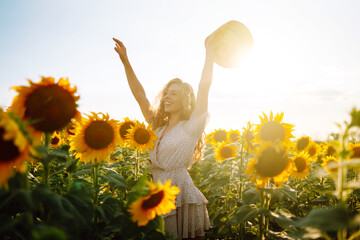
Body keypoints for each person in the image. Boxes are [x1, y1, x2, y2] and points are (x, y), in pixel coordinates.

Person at [113, 37, 213, 239]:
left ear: (184, 99)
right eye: (166, 93)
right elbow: (140, 95)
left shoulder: (192, 126)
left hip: (182, 196)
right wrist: (125, 61)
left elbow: (203, 88)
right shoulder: (157, 127)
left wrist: (209, 56)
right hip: (157, 196)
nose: (166, 97)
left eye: (173, 94)